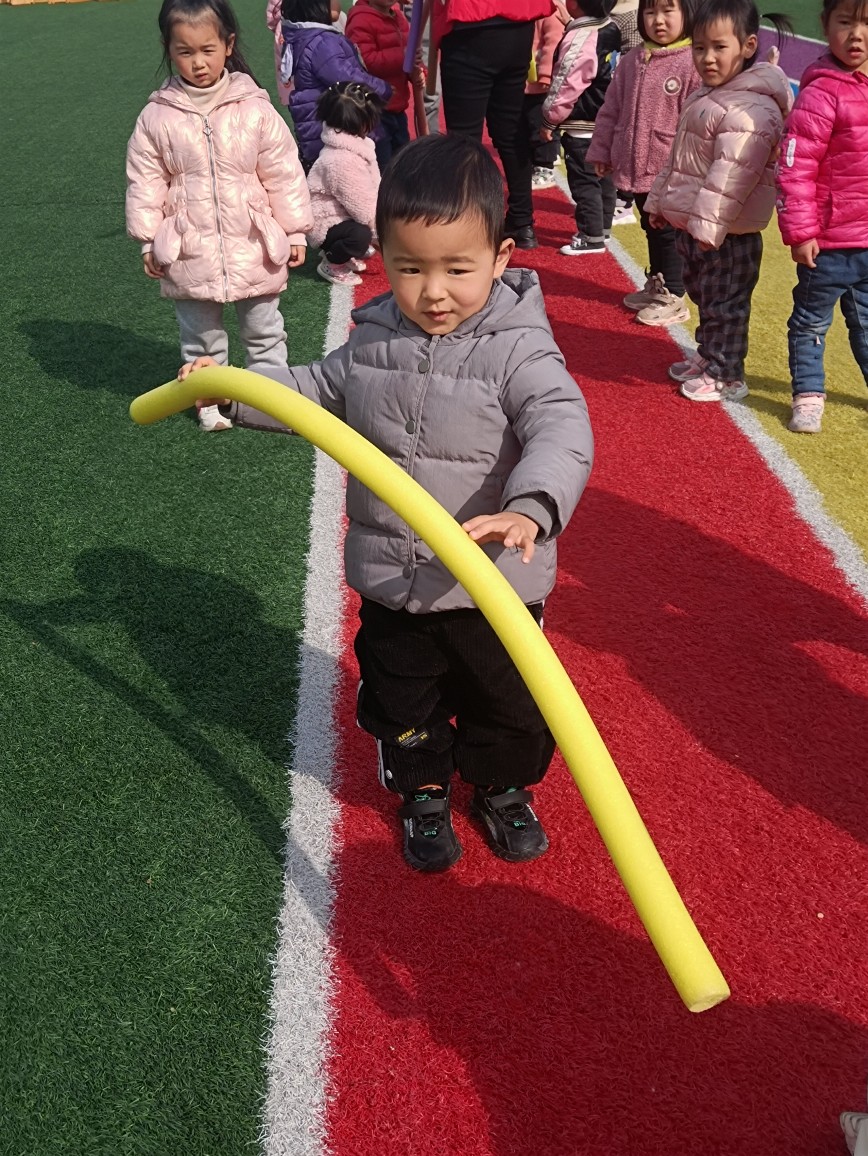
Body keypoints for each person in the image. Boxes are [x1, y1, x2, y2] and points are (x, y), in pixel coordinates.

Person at [179, 134, 594, 871]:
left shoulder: (520, 351)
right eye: (410, 268)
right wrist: (232, 391)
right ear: (385, 257)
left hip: (493, 582)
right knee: (402, 702)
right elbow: (310, 390)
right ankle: (423, 791)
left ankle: (502, 786)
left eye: (457, 269)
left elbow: (561, 428)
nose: (433, 292)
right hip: (395, 583)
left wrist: (529, 507)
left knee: (510, 703)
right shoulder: (372, 342)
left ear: (501, 258)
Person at [126, 0, 313, 433]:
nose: (198, 63)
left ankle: (271, 401)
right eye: (185, 52)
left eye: (207, 50)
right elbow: (145, 180)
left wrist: (295, 231)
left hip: (253, 242)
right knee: (201, 339)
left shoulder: (254, 108)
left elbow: (283, 172)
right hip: (189, 248)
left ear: (228, 45)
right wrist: (149, 239)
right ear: (169, 50)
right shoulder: (156, 117)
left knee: (265, 331)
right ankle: (209, 402)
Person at [644, 0, 791, 400]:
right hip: (699, 226)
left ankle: (727, 373)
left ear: (748, 46)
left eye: (719, 47)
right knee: (706, 297)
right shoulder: (707, 96)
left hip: (727, 234)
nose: (707, 58)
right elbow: (679, 160)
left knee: (726, 304)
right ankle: (710, 356)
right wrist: (660, 202)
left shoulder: (750, 109)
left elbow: (732, 177)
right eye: (699, 47)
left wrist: (707, 228)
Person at [776, 0, 868, 434]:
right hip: (828, 242)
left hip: (866, 240)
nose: (857, 34)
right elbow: (795, 167)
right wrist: (801, 231)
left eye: (866, 24)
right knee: (811, 322)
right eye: (845, 22)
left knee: (866, 322)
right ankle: (808, 395)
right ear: (826, 26)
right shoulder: (821, 92)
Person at [588, 0, 700, 322]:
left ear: (687, 14)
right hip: (635, 163)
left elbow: (696, 121)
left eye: (668, 11)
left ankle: (674, 294)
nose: (658, 20)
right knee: (650, 226)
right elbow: (611, 108)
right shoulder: (633, 59)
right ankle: (658, 284)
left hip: (670, 168)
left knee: (667, 231)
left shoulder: (691, 61)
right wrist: (602, 150)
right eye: (650, 12)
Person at [434, 0, 556, 250]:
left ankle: (469, 222)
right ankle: (522, 221)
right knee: (510, 129)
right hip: (518, 21)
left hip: (472, 22)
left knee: (465, 138)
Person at [540, 0, 621, 255]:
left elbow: (566, 83)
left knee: (584, 181)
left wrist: (550, 119)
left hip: (583, 122)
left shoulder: (581, 37)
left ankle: (590, 235)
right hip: (608, 119)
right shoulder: (610, 26)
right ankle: (603, 228)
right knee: (605, 178)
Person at [280, 0, 392, 169]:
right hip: (339, 133)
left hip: (325, 134)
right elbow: (348, 77)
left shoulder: (306, 36)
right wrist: (382, 88)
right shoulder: (322, 42)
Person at [308, 81, 384, 286]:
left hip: (341, 212)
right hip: (325, 221)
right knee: (360, 236)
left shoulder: (352, 145)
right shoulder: (341, 160)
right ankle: (332, 262)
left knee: (364, 234)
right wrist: (382, 235)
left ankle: (341, 247)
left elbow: (371, 186)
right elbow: (362, 209)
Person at [345, 0, 424, 169]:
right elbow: (365, 61)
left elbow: (410, 55)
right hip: (374, 111)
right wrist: (403, 56)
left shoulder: (399, 17)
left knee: (402, 161)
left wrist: (418, 72)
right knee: (382, 164)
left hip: (397, 107)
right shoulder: (360, 19)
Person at [522, 12, 566, 190]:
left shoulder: (549, 11)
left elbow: (553, 44)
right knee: (526, 126)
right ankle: (534, 164)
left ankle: (545, 168)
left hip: (541, 85)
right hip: (526, 82)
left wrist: (546, 75)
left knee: (541, 127)